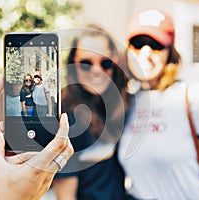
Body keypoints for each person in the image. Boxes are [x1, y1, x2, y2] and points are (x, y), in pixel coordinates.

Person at [118, 9, 199, 200]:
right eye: (138, 44)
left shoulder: (193, 96)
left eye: (155, 45)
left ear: (170, 51)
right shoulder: (126, 101)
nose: (146, 53)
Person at [52, 24, 131, 200]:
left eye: (105, 63)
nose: (97, 71)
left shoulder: (121, 107)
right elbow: (65, 197)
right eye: (86, 63)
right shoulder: (66, 120)